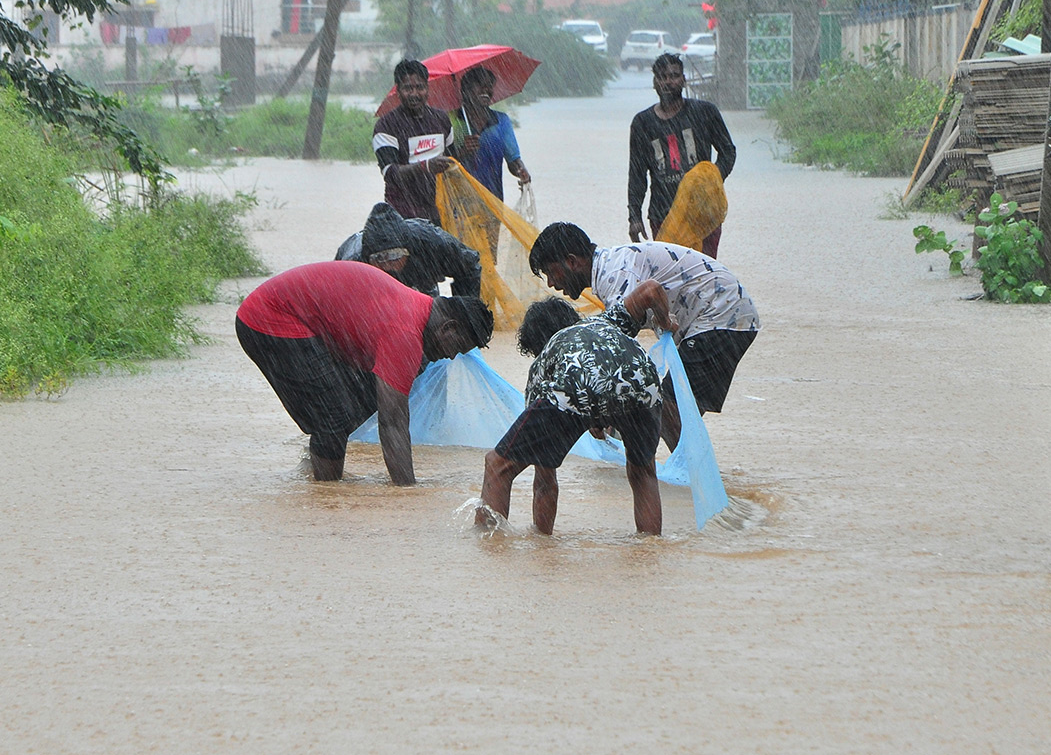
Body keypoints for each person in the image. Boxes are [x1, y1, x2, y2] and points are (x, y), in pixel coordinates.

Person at [236, 260, 492, 485]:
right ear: (448, 328)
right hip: (269, 317)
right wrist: (408, 494)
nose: (450, 356)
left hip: (291, 315)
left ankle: (319, 469)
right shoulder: (405, 333)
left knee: (361, 400)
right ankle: (327, 496)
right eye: (457, 347)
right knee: (333, 420)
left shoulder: (415, 310)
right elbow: (392, 422)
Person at [528, 221, 759, 452]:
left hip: (721, 314)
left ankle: (693, 478)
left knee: (667, 408)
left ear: (572, 261)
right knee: (656, 409)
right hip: (721, 315)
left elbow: (612, 354)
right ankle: (685, 475)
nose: (551, 283)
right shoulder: (609, 270)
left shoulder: (615, 276)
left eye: (550, 272)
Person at [477, 297, 667, 535]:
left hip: (577, 383)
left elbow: (545, 481)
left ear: (538, 344)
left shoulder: (545, 360)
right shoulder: (605, 320)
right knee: (643, 472)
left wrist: (542, 543)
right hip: (645, 384)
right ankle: (650, 553)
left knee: (498, 465)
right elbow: (651, 290)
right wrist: (666, 320)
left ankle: (487, 551)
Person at [629, 52, 736, 258]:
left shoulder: (705, 112)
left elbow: (728, 152)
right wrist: (634, 216)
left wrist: (709, 181)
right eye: (662, 77)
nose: (668, 82)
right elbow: (636, 174)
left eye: (674, 76)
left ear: (684, 80)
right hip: (663, 213)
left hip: (703, 211)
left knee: (703, 273)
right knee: (670, 276)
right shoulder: (642, 123)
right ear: (654, 82)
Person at [335, 202, 482, 298]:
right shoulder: (352, 264)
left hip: (421, 285)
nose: (387, 265)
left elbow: (469, 266)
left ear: (408, 250)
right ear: (367, 259)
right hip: (371, 297)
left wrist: (464, 316)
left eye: (394, 256)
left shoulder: (431, 242)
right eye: (379, 259)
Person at [373, 59, 456, 224]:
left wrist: (465, 151)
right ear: (398, 91)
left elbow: (452, 162)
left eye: (419, 87)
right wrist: (425, 166)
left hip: (440, 213)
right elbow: (390, 173)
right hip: (403, 216)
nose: (414, 94)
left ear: (427, 89)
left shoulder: (442, 120)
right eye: (408, 88)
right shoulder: (386, 126)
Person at [451, 66, 532, 202]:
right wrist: (462, 152)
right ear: (465, 91)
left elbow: (513, 160)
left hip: (493, 200)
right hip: (458, 200)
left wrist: (521, 171)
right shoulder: (451, 121)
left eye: (489, 86)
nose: (485, 90)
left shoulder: (501, 121)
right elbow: (442, 160)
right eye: (479, 85)